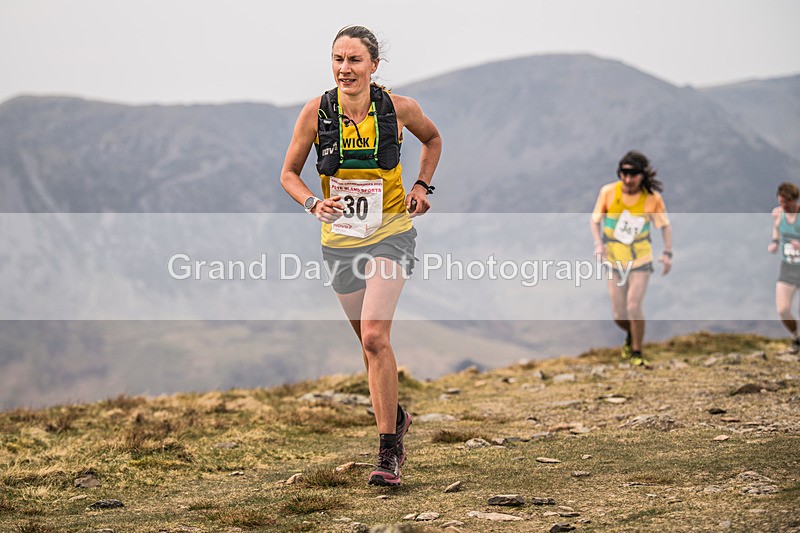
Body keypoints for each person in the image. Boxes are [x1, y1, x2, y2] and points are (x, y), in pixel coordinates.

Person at [280, 25, 442, 486]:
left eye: (354, 60)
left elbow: (433, 141)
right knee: (368, 347)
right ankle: (398, 414)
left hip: (391, 230)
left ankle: (388, 452)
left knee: (374, 336)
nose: (344, 68)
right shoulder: (316, 112)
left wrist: (421, 186)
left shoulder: (399, 109)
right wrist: (313, 203)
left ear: (374, 64)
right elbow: (288, 174)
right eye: (337, 59)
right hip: (341, 239)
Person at [590, 150, 672, 366]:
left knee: (633, 305)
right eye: (623, 174)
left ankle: (636, 352)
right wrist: (598, 244)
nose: (627, 179)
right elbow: (595, 220)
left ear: (642, 175)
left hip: (640, 259)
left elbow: (664, 226)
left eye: (633, 175)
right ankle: (632, 334)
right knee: (618, 313)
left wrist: (667, 253)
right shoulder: (608, 192)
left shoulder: (652, 199)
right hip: (614, 259)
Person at [768, 182, 800, 353]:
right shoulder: (778, 214)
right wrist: (774, 242)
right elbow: (777, 230)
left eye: (786, 203)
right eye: (780, 202)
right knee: (783, 309)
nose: (783, 206)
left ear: (794, 200)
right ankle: (796, 338)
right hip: (788, 267)